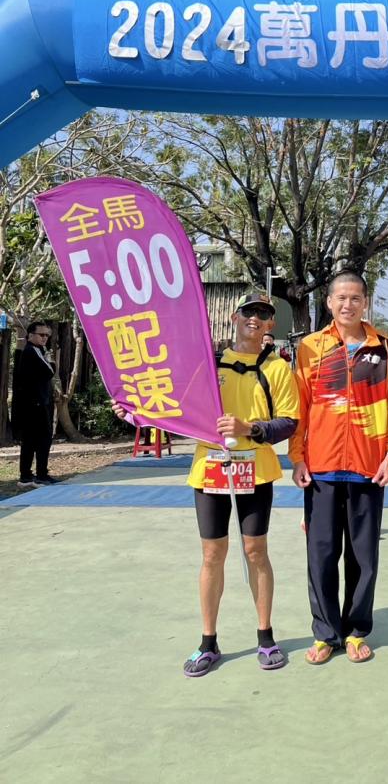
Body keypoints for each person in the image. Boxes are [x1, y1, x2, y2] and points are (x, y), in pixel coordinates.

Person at [114, 290, 300, 677]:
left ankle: (265, 637)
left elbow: (288, 422)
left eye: (263, 313)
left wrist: (249, 428)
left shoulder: (278, 368)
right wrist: (134, 411)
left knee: (255, 552)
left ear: (270, 323)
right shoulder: (207, 362)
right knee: (212, 555)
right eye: (248, 311)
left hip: (256, 469)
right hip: (210, 467)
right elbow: (172, 403)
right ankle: (208, 642)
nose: (254, 318)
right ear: (235, 317)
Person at [291, 270, 388, 665]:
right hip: (320, 467)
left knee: (363, 557)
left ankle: (356, 631)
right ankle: (325, 633)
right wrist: (297, 456)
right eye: (341, 297)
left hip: (367, 467)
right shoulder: (310, 348)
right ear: (329, 302)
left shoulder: (385, 349)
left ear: (365, 302)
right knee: (321, 555)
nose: (347, 304)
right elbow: (299, 405)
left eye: (355, 298)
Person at [13, 322, 57, 488]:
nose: (45, 338)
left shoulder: (33, 351)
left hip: (31, 403)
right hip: (36, 404)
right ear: (31, 335)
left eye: (47, 335)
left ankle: (25, 476)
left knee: (29, 440)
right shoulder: (33, 350)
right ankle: (41, 475)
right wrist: (51, 361)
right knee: (43, 438)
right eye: (41, 334)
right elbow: (49, 371)